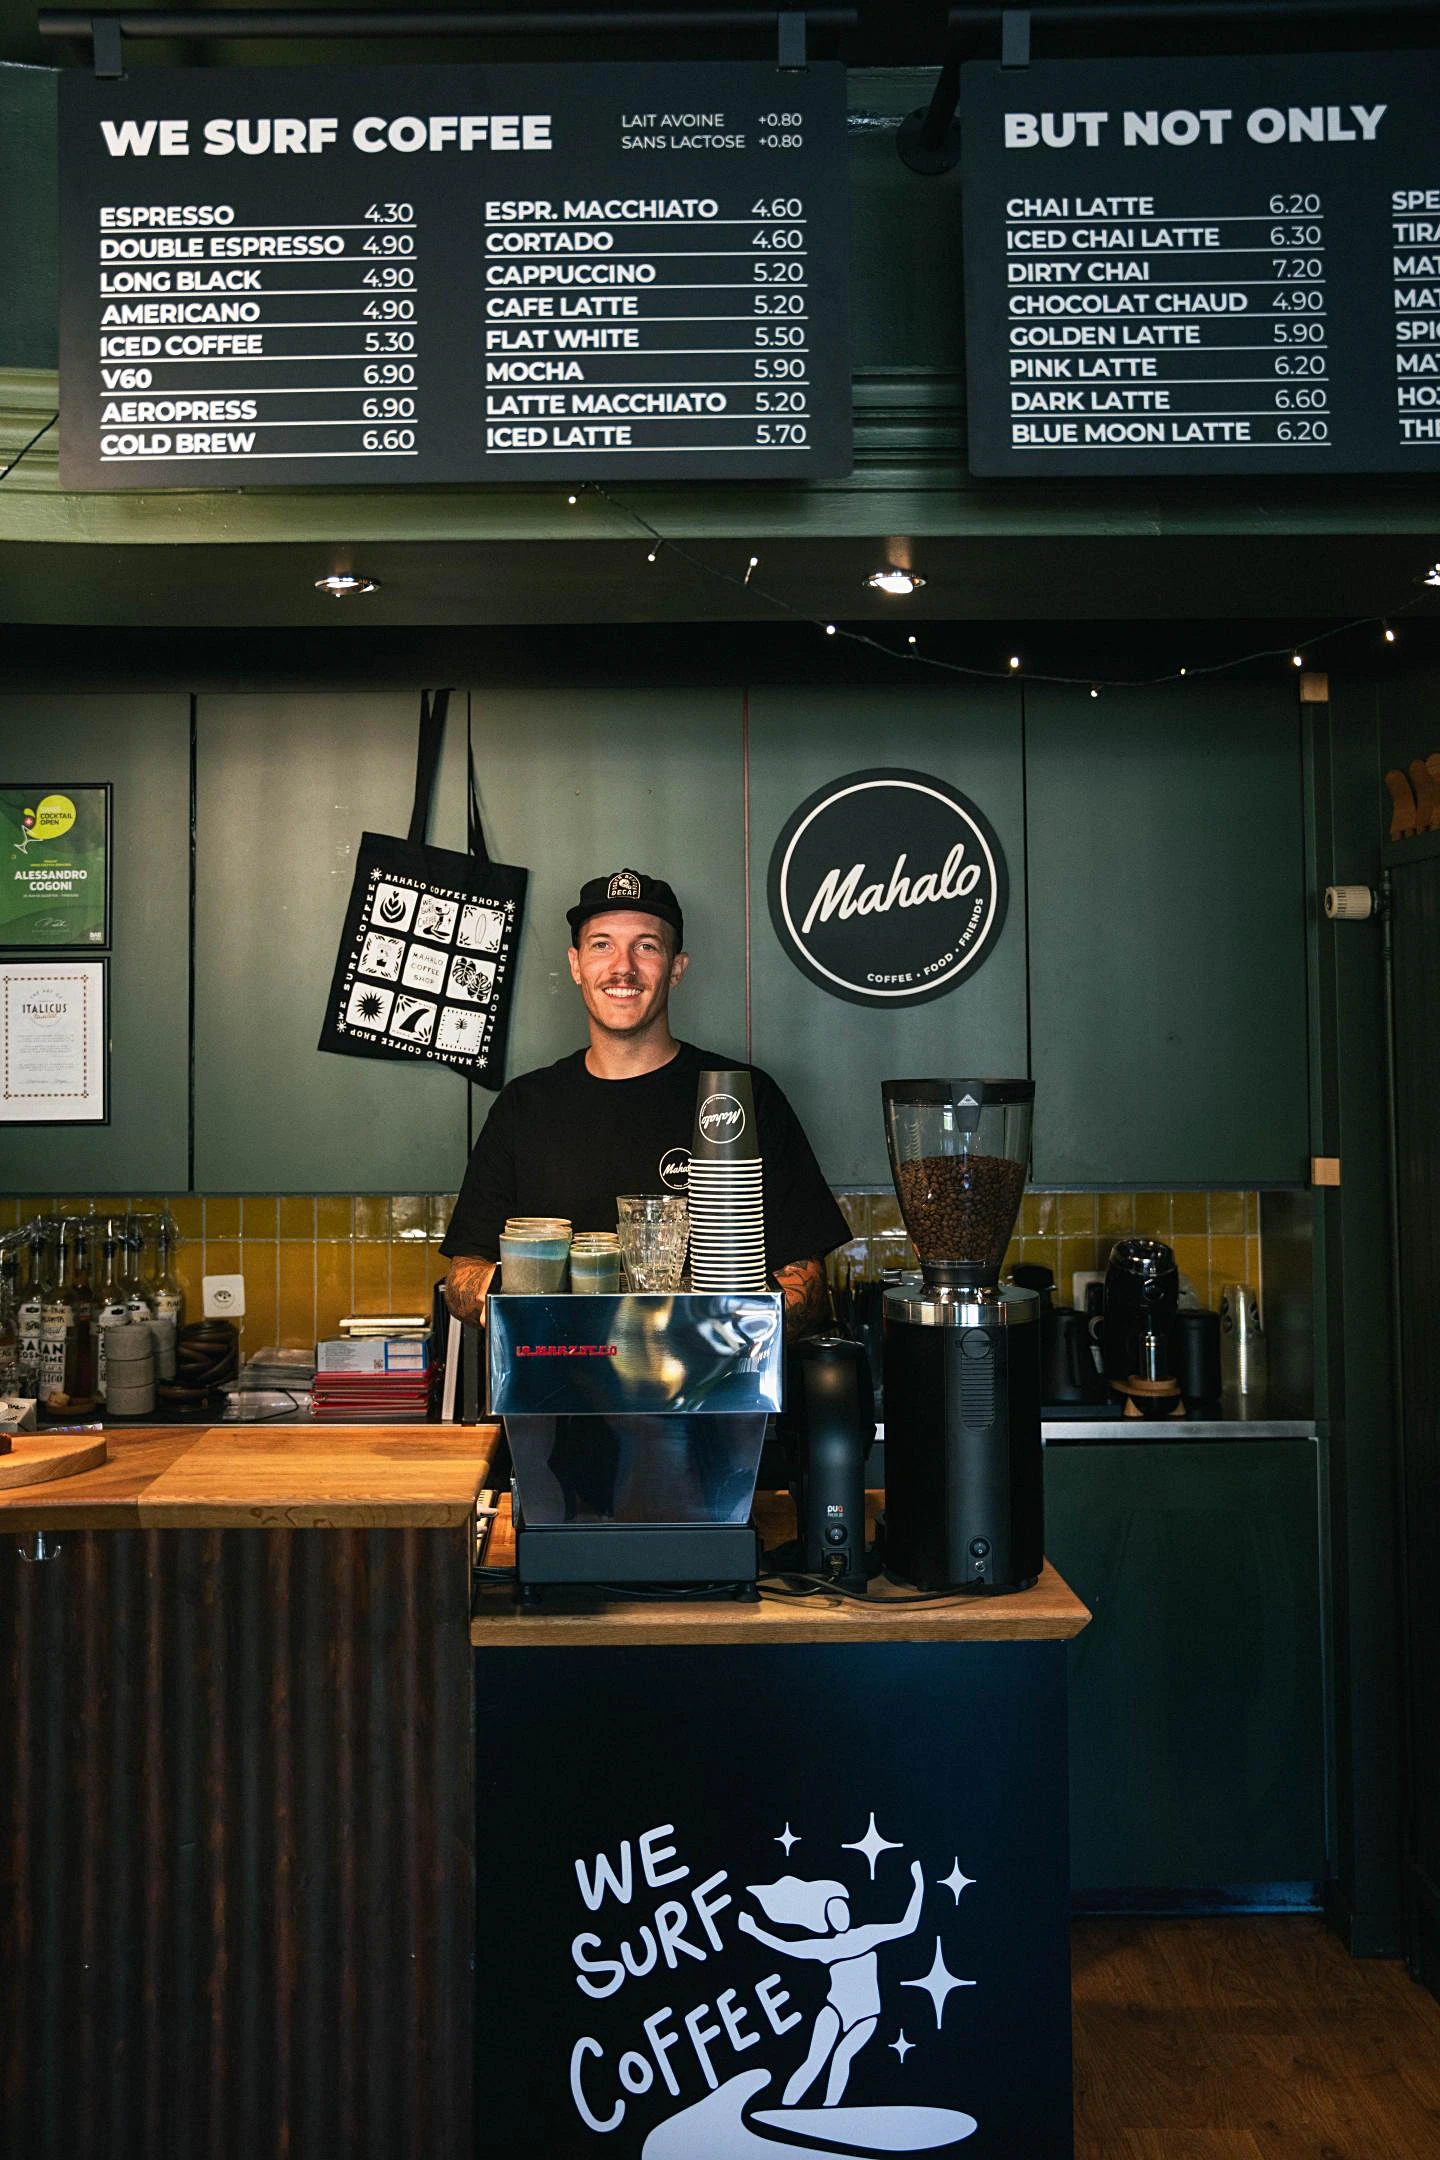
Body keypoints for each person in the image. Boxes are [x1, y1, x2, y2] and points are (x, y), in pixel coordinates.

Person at [441, 868, 850, 1333]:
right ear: (575, 965)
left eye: (646, 946)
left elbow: (808, 1286)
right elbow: (463, 1279)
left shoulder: (741, 1095)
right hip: (561, 1393)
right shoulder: (525, 1105)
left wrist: (703, 1335)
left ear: (676, 967)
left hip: (713, 1394)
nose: (623, 967)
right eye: (601, 944)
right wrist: (559, 1311)